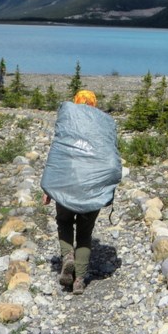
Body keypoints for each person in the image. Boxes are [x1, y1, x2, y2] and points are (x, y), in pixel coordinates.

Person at [40, 89, 122, 294]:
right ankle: (79, 281)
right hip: (92, 189)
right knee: (85, 233)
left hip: (66, 185)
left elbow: (57, 157)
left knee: (65, 222)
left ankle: (68, 256)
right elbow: (111, 161)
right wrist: (107, 189)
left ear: (76, 103)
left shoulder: (69, 125)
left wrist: (48, 187)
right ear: (94, 105)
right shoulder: (102, 129)